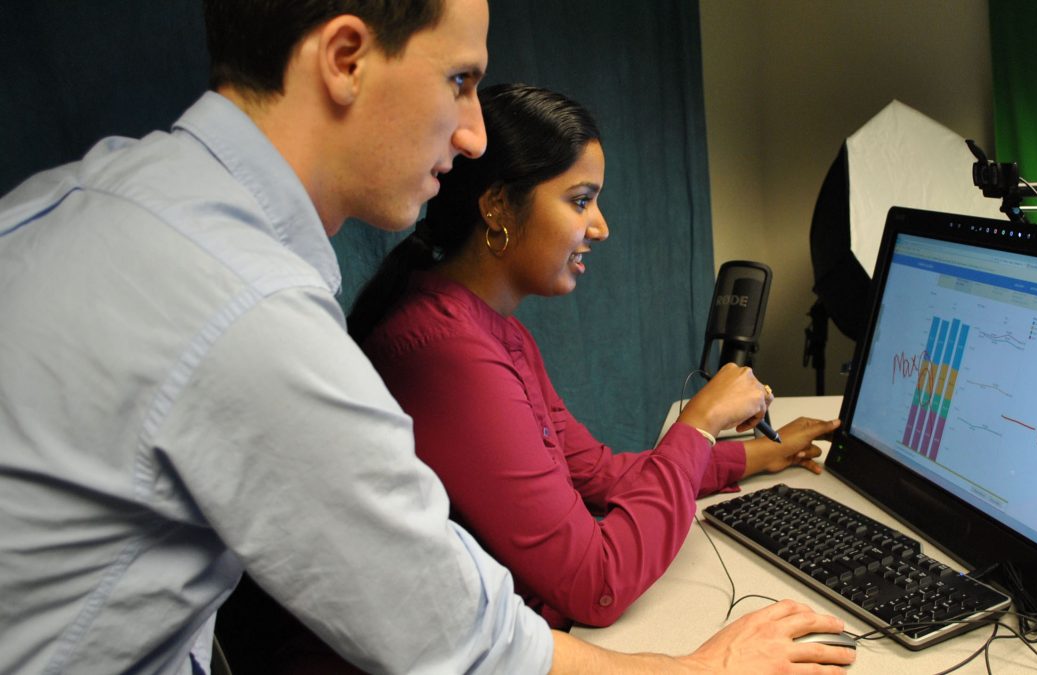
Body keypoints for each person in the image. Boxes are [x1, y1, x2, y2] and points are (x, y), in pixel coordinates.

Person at [0, 1, 854, 674]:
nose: (473, 132)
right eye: (459, 80)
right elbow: (471, 640)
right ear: (346, 58)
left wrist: (745, 455)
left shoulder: (104, 189)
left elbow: (592, 473)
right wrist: (706, 667)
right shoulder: (253, 311)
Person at [348, 82, 844, 630]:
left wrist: (760, 454)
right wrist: (700, 422)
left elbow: (599, 474)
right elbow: (597, 584)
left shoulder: (499, 334)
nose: (601, 227)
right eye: (581, 201)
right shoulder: (447, 352)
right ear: (497, 205)